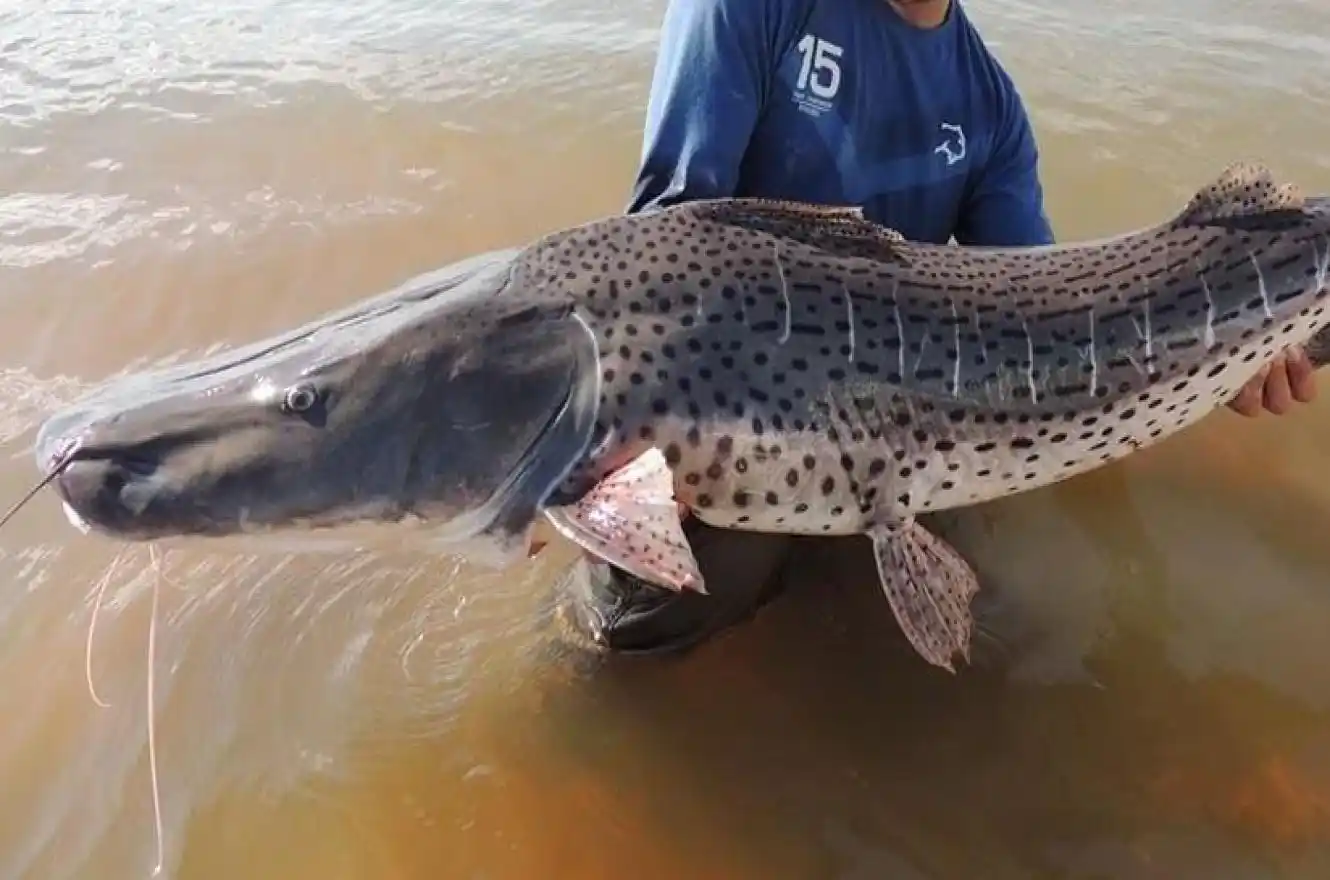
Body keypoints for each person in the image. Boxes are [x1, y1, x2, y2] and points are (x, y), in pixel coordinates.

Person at [555, 0, 1315, 656]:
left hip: (908, 442)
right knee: (628, 642)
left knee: (993, 630)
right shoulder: (757, 10)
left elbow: (1048, 325)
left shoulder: (989, 109)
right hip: (732, 432)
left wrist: (1228, 355)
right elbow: (657, 258)